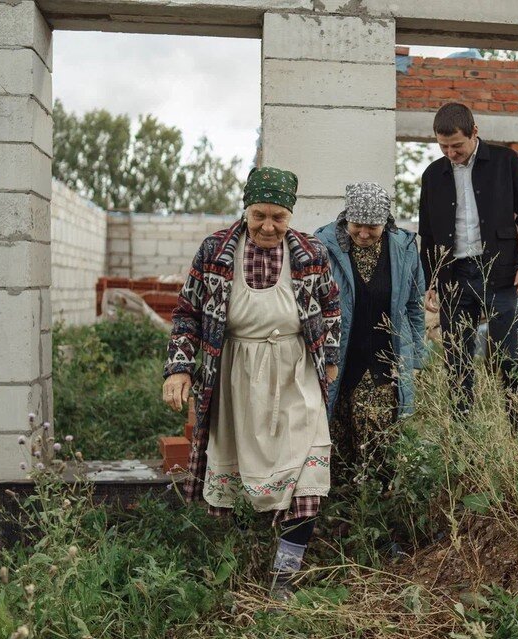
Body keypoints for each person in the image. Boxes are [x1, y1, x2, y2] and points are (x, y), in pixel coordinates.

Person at [162, 166, 341, 601]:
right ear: (246, 209)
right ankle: (232, 569)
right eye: (259, 215)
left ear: (290, 215)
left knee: (307, 472)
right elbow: (188, 311)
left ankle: (284, 574)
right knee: (236, 471)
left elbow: (332, 307)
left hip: (295, 371)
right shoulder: (216, 251)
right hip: (234, 373)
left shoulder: (310, 251)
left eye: (278, 217)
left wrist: (330, 360)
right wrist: (180, 368)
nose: (267, 226)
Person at [418, 102, 518, 418]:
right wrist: (429, 281)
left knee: (509, 357)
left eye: (457, 145)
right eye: (443, 146)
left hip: (500, 275)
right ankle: (465, 437)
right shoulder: (432, 175)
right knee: (457, 362)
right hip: (453, 279)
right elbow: (428, 234)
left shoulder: (506, 162)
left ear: (475, 132)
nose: (451, 152)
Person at [314, 182, 425, 484]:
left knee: (376, 443)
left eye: (372, 227)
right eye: (357, 225)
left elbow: (414, 306)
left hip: (383, 361)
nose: (363, 234)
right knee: (333, 439)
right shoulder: (322, 246)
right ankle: (337, 513)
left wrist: (415, 359)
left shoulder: (402, 249)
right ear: (345, 218)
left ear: (386, 222)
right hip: (336, 360)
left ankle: (375, 512)